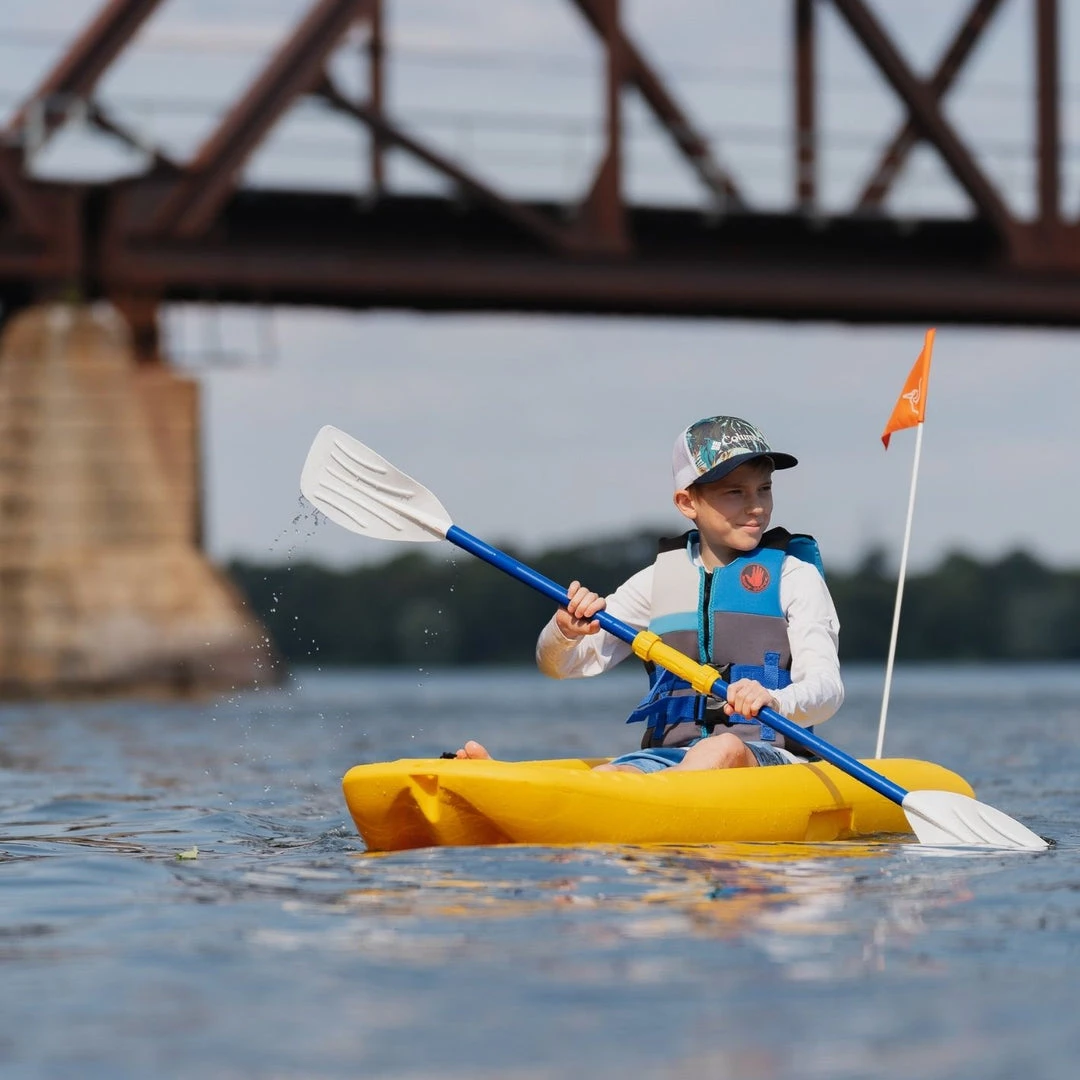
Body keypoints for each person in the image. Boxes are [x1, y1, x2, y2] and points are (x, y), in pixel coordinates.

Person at [456, 415, 844, 773]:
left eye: (764, 489)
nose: (756, 506)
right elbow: (559, 666)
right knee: (617, 771)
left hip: (772, 758)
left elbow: (827, 691)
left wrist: (775, 700)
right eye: (735, 493)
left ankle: (623, 805)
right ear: (686, 502)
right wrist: (565, 632)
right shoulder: (657, 581)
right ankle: (528, 793)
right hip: (672, 757)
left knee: (719, 749)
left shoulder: (796, 577)